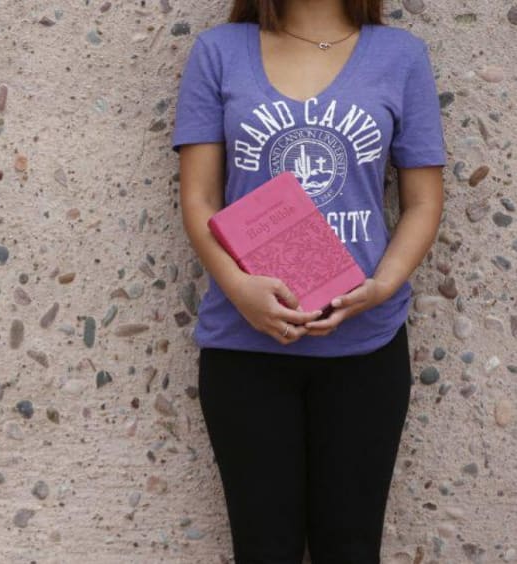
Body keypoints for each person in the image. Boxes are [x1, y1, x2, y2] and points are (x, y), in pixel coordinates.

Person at [171, 0, 446, 562]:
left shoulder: (402, 56)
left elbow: (423, 201)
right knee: (263, 549)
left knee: (350, 549)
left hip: (365, 349)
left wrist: (384, 285)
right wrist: (239, 290)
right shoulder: (218, 53)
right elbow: (198, 198)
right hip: (244, 348)